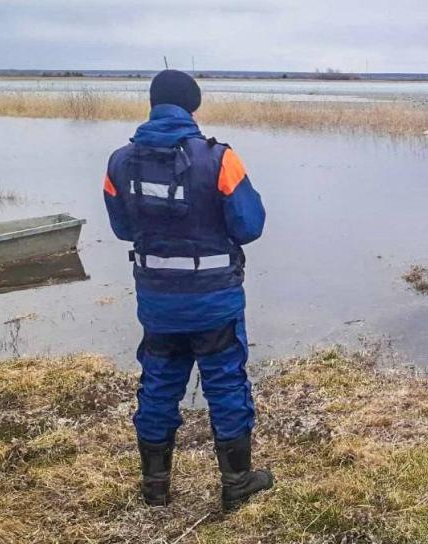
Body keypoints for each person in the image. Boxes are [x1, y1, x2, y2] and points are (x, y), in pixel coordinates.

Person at [103, 69, 272, 511]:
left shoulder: (119, 161)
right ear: (192, 108)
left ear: (153, 104)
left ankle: (155, 487)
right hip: (214, 301)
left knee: (158, 384)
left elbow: (122, 229)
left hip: (157, 303)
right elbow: (250, 226)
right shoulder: (220, 159)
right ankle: (237, 483)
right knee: (225, 384)